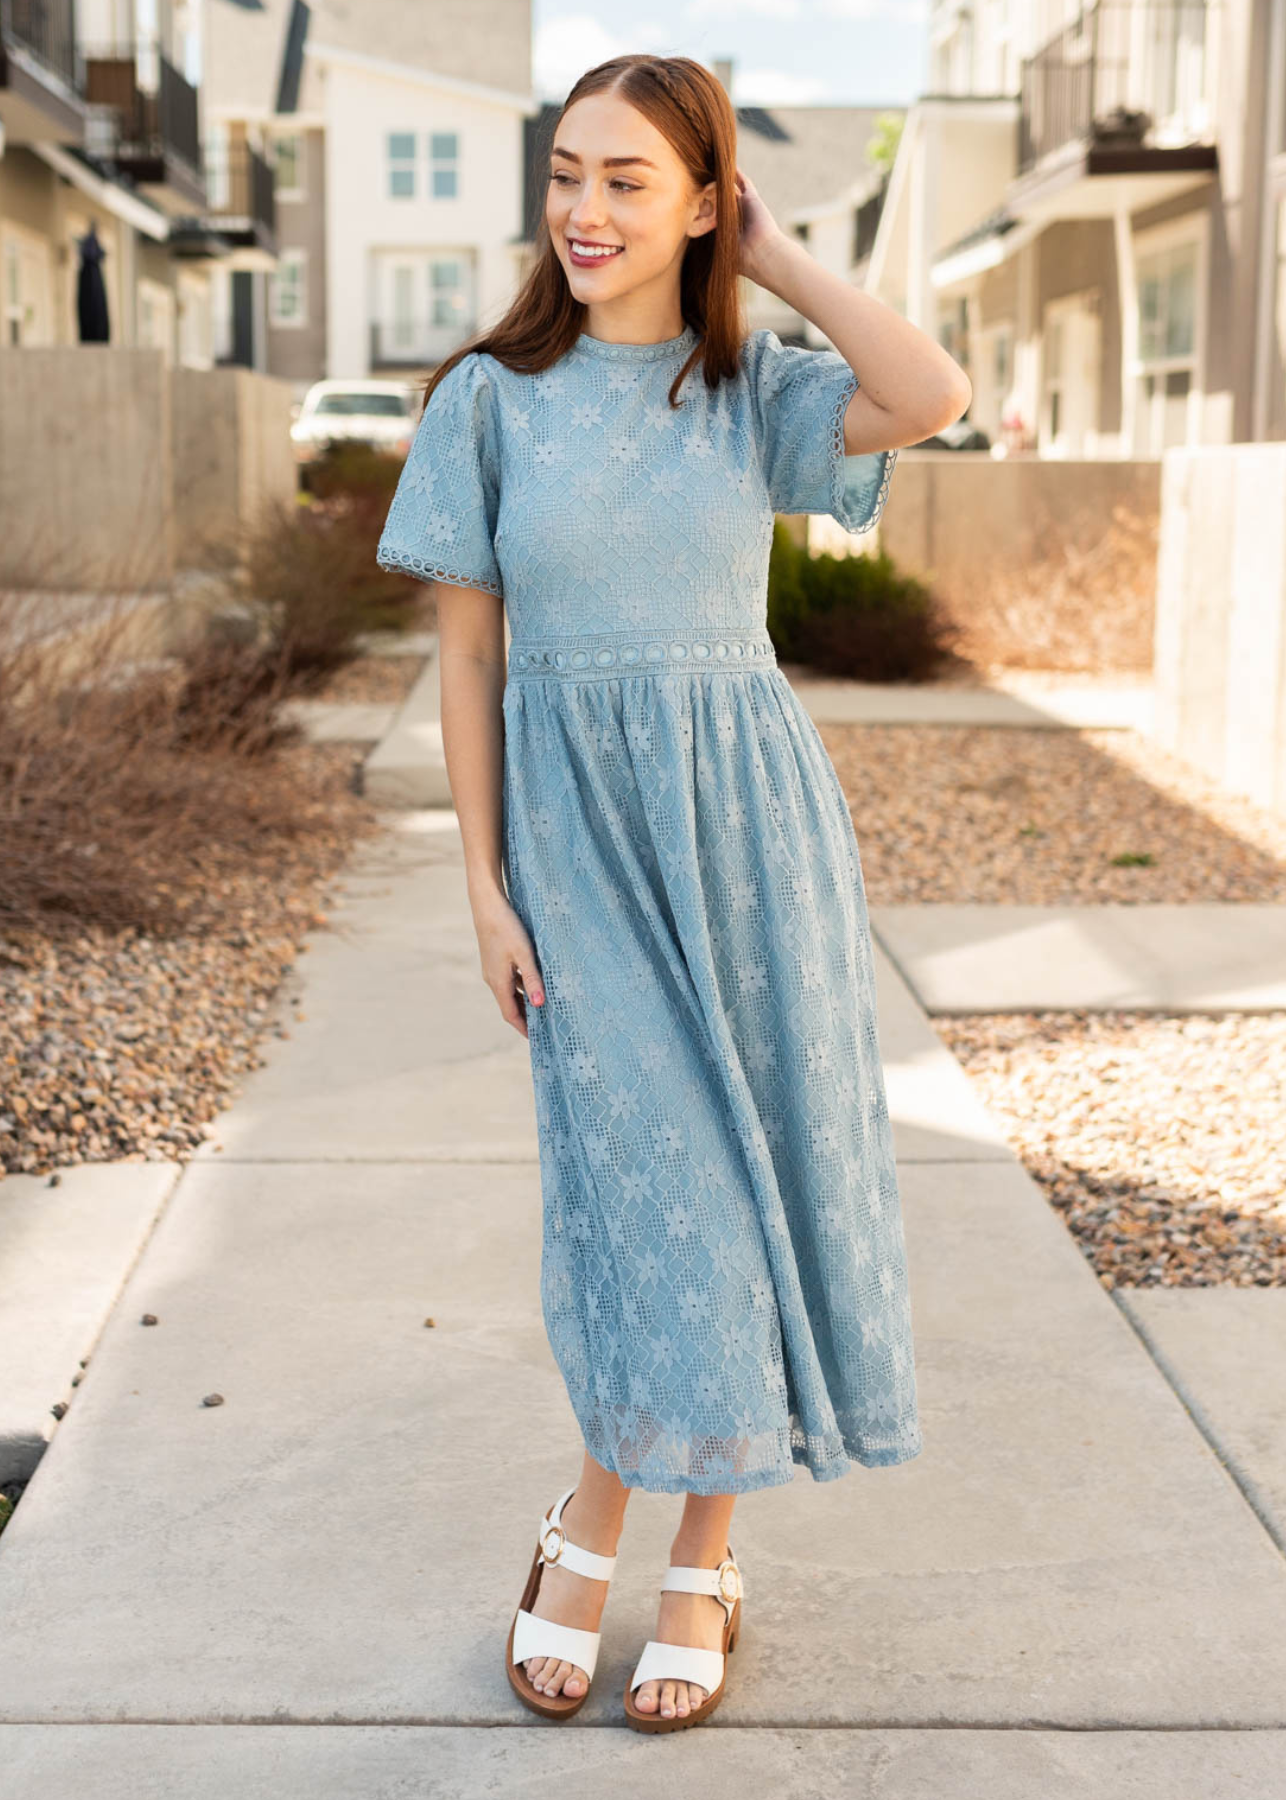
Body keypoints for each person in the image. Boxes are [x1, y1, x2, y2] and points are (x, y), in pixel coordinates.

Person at [376, 53, 971, 1734]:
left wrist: (772, 262)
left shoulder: (752, 388)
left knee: (755, 1176)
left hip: (750, 834)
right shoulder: (487, 398)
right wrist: (483, 890)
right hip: (576, 845)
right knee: (652, 1191)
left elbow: (927, 392)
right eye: (567, 172)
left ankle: (695, 1549)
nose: (582, 209)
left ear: (700, 201)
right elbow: (471, 652)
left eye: (629, 179)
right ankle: (592, 1517)